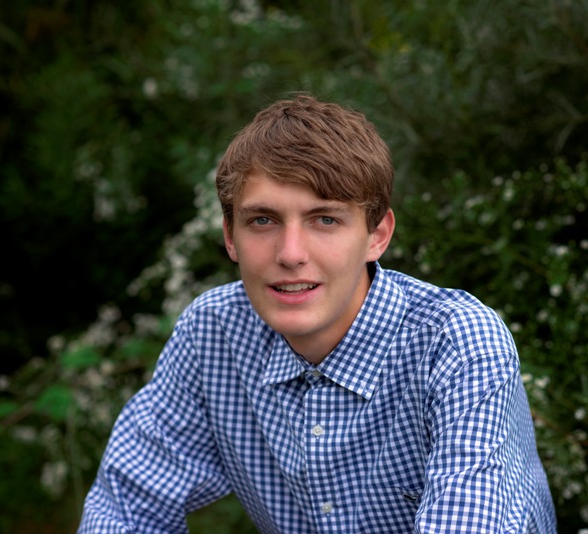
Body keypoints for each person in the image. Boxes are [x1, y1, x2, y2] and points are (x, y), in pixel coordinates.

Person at [78, 94, 557, 533]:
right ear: (230, 237)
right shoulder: (214, 333)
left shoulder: (456, 343)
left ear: (377, 236)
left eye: (325, 219)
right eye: (262, 220)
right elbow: (126, 508)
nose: (290, 253)